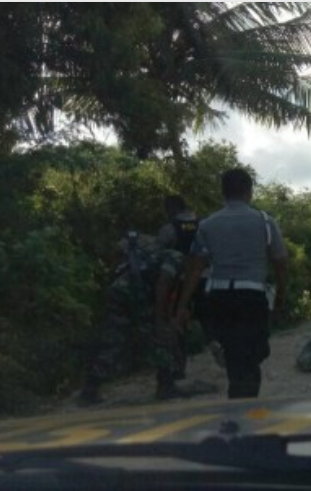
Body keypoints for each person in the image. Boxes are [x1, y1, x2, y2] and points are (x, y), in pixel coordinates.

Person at [173, 168, 288, 399]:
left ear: (223, 193)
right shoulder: (265, 222)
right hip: (252, 297)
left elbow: (195, 269)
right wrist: (281, 298)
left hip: (220, 299)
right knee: (253, 355)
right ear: (249, 191)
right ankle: (242, 404)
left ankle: (238, 398)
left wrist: (182, 306)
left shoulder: (208, 225)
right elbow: (281, 263)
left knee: (235, 354)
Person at [77, 233, 190, 406]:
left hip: (120, 291)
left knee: (114, 341)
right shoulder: (175, 257)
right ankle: (166, 385)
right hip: (136, 294)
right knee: (158, 337)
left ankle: (89, 389)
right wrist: (159, 319)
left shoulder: (150, 252)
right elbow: (163, 284)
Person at [156, 194, 220, 377]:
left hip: (179, 281)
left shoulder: (169, 229)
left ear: (171, 209)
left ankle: (179, 366)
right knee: (207, 318)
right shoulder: (203, 224)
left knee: (177, 321)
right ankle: (215, 344)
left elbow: (158, 253)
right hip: (206, 279)